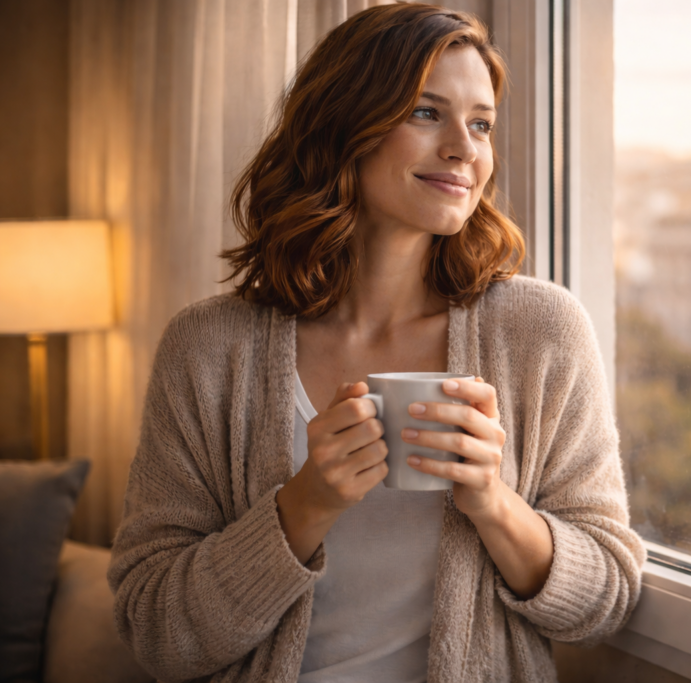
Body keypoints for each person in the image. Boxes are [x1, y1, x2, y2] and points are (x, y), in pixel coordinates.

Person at [107, 5, 644, 682]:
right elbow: (155, 631)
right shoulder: (207, 347)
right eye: (427, 112)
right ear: (344, 126)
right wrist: (302, 506)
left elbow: (607, 597)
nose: (464, 148)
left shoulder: (541, 333)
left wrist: (492, 501)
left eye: (480, 123)